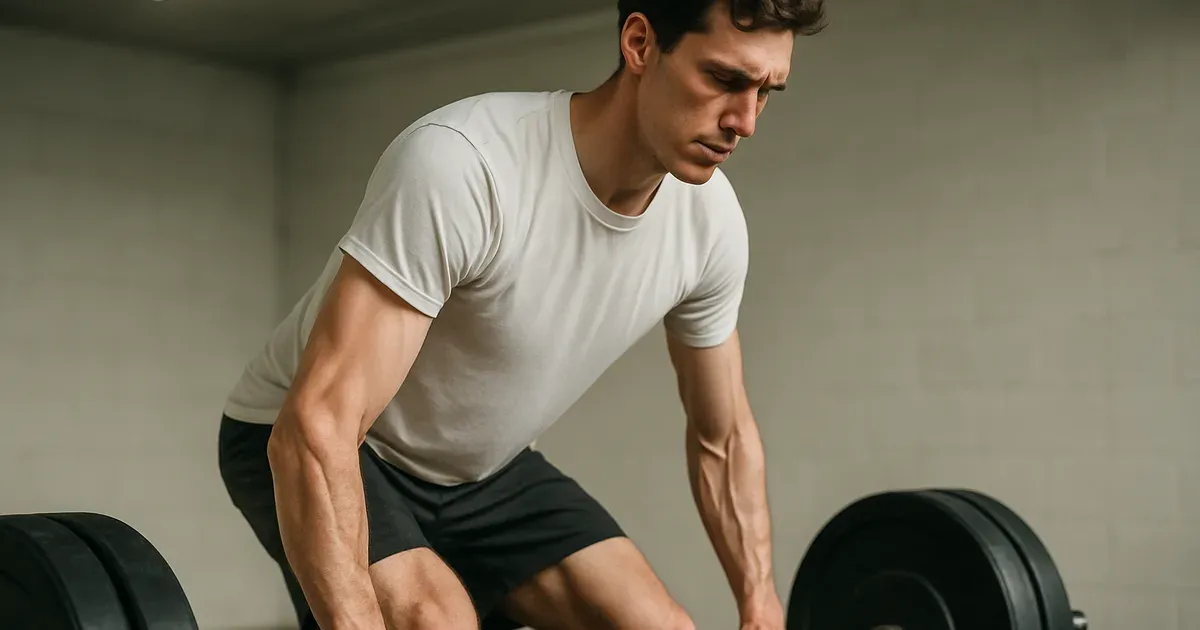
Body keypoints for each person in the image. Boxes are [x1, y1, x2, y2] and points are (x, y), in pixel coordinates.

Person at [217, 0, 826, 628]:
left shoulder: (711, 226)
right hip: (308, 433)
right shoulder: (466, 166)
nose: (746, 121)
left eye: (766, 91)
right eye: (725, 80)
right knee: (440, 619)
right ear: (640, 43)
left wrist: (761, 605)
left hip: (482, 470)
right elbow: (317, 427)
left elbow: (721, 438)